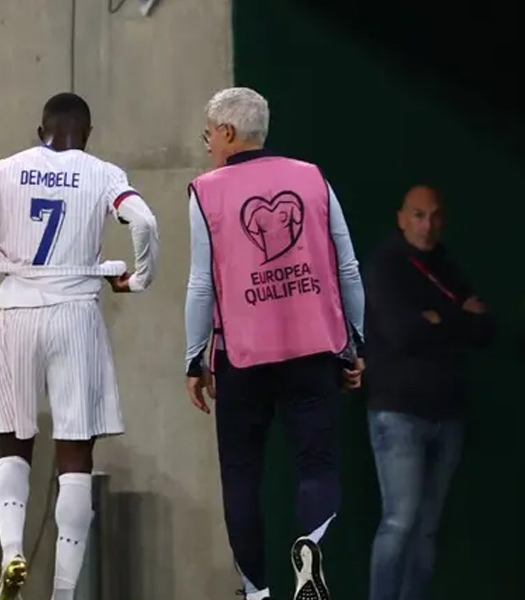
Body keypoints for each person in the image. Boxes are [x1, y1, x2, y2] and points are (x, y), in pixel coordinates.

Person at [0, 92, 159, 600]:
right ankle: (62, 591)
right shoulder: (104, 174)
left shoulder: (2, 170)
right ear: (88, 134)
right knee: (75, 456)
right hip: (75, 315)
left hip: (17, 311)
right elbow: (144, 222)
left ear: (40, 132)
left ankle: (12, 551)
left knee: (13, 445)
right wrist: (140, 278)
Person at [184, 86, 365, 600]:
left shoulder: (206, 191)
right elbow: (348, 268)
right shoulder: (312, 178)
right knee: (316, 462)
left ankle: (256, 591)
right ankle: (310, 545)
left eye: (208, 135)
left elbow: (202, 284)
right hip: (315, 349)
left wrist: (194, 358)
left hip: (241, 357)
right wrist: (355, 343)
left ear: (227, 132)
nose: (207, 145)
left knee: (242, 475)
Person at [363, 185, 494, 600]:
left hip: (448, 414)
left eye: (434, 216)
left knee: (426, 528)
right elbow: (403, 332)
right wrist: (457, 318)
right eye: (418, 215)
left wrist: (439, 318)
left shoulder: (446, 264)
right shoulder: (385, 266)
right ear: (401, 218)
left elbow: (485, 329)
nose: (427, 225)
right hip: (399, 414)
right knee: (399, 522)